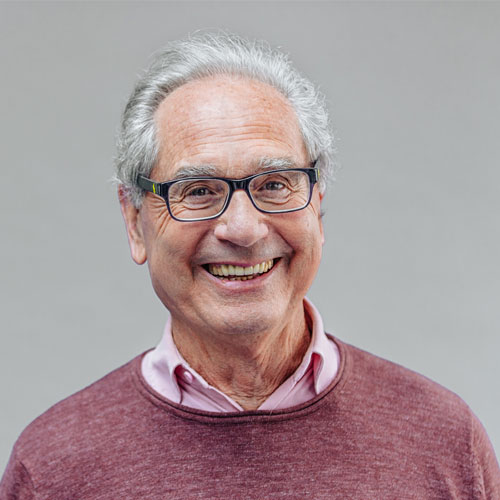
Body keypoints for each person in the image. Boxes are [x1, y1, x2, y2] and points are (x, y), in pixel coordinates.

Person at [1, 33, 499, 499]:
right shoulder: (52, 469)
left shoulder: (446, 442)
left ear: (317, 205)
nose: (243, 229)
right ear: (135, 223)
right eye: (198, 190)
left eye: (275, 184)